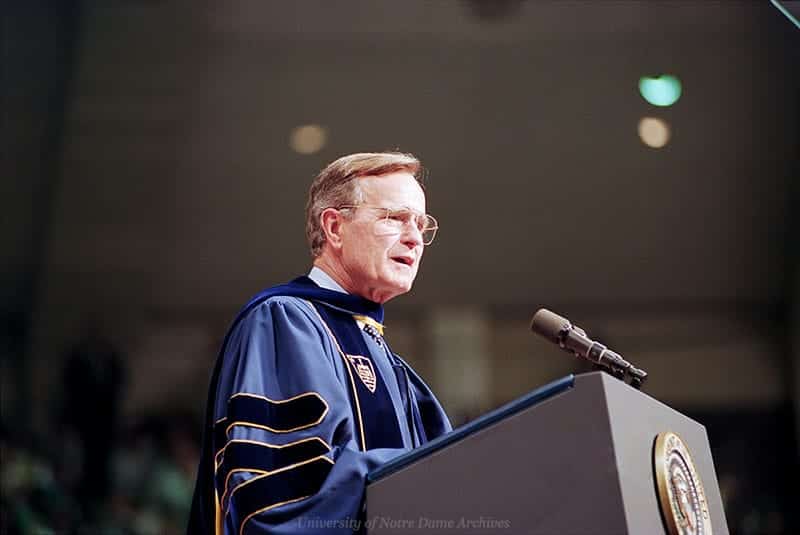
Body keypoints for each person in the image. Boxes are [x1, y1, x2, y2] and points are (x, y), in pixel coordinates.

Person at [188, 152, 452, 534]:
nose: (414, 238)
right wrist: (406, 474)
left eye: (420, 223)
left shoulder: (390, 363)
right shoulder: (283, 321)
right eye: (394, 218)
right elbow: (282, 494)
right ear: (334, 227)